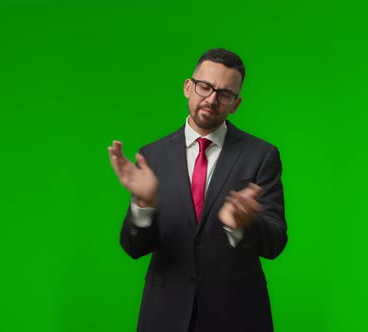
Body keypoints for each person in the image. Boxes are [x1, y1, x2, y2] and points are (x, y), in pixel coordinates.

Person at [108, 48, 287, 332]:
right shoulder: (152, 156)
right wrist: (143, 205)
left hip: (237, 315)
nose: (212, 99)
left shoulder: (261, 155)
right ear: (188, 87)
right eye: (205, 86)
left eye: (224, 93)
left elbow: (276, 241)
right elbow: (134, 247)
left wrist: (243, 225)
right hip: (165, 315)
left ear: (236, 104)